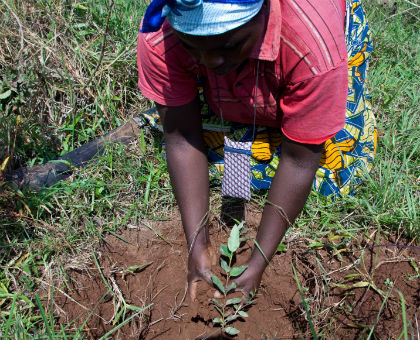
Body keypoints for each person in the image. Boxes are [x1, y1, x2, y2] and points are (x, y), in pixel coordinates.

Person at [137, 0, 376, 301]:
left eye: (228, 45)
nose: (210, 63)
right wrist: (197, 245)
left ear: (262, 14)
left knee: (338, 162)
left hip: (309, 45)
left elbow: (300, 160)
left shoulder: (311, 43)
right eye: (193, 45)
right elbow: (182, 138)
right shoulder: (161, 33)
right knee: (213, 147)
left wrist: (259, 262)